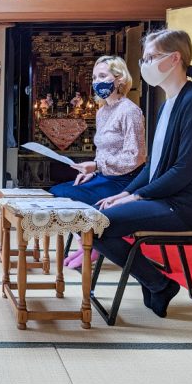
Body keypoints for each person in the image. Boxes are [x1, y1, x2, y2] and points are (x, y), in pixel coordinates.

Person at [94, 29, 192, 318]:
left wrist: (136, 196)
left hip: (187, 205)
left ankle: (157, 283)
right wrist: (124, 194)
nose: (144, 65)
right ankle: (156, 282)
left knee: (95, 224)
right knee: (93, 217)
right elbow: (154, 167)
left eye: (150, 57)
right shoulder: (169, 103)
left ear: (175, 58)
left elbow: (183, 170)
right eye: (144, 59)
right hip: (168, 198)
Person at [49, 56, 146, 269]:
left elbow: (135, 157)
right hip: (104, 176)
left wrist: (98, 167)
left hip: (124, 181)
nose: (97, 81)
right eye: (94, 77)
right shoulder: (102, 111)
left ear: (119, 79)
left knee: (68, 195)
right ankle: (86, 244)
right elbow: (103, 152)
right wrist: (92, 170)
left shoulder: (130, 111)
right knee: (58, 192)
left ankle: (92, 245)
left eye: (102, 76)